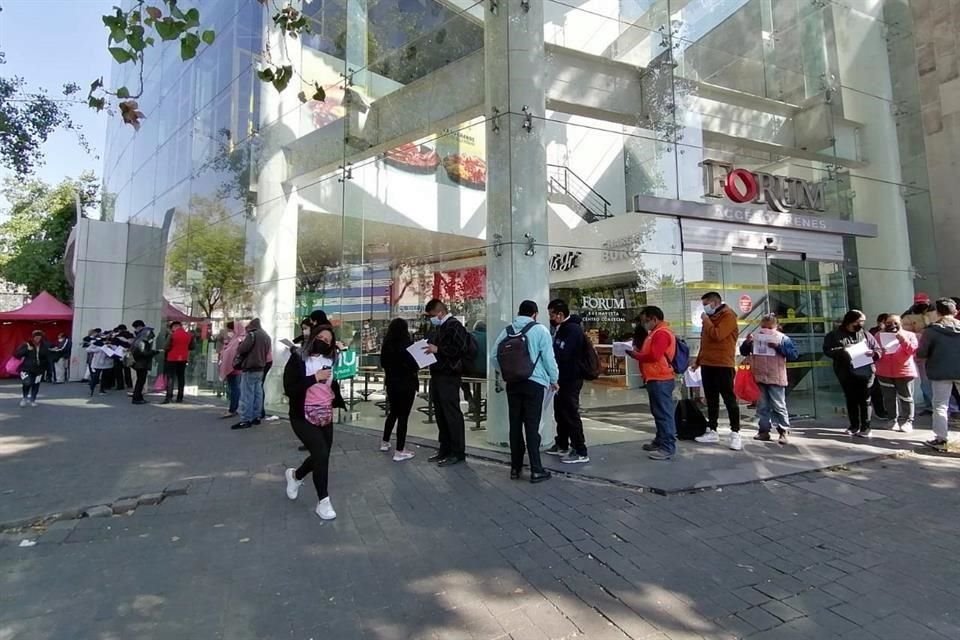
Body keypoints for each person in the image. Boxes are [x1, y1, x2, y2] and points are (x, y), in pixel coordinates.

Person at [283, 325, 346, 520]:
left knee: (322, 455)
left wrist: (335, 395)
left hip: (325, 415)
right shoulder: (298, 358)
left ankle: (295, 476)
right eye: (320, 337)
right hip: (302, 416)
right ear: (312, 337)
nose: (323, 342)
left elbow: (331, 384)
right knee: (320, 453)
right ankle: (323, 502)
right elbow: (290, 388)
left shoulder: (330, 360)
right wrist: (314, 378)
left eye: (327, 341)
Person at [493, 300, 559, 482]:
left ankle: (515, 468)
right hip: (534, 384)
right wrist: (554, 380)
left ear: (519, 313)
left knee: (515, 426)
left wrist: (507, 372)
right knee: (532, 426)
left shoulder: (507, 331)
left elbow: (494, 356)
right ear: (535, 314)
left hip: (513, 384)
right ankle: (536, 469)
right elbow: (549, 359)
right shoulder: (540, 330)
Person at [690, 292, 743, 451]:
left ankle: (735, 432)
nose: (704, 308)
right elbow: (704, 343)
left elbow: (717, 335)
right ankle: (712, 429)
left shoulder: (728, 316)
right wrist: (698, 361)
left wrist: (706, 321)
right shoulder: (709, 319)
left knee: (729, 399)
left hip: (723, 364)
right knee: (711, 399)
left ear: (714, 303)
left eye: (706, 304)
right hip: (708, 364)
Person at [626, 306, 679, 460]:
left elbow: (654, 356)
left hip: (660, 378)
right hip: (654, 377)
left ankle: (667, 447)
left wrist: (635, 355)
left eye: (645, 320)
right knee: (658, 412)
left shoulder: (661, 333)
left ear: (654, 319)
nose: (644, 324)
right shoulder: (655, 332)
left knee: (664, 413)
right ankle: (660, 440)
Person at [423, 298, 471, 466]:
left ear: (440, 312)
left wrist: (438, 349)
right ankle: (445, 448)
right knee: (441, 413)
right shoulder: (439, 328)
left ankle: (457, 451)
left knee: (451, 413)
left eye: (431, 315)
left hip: (449, 376)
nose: (430, 319)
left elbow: (461, 349)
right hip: (437, 374)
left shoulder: (454, 326)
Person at [740, 314, 798, 445]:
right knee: (762, 406)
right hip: (759, 376)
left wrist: (778, 347)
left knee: (779, 405)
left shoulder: (783, 339)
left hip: (776, 377)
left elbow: (793, 355)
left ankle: (783, 430)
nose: (766, 331)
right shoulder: (755, 338)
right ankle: (764, 431)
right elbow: (743, 351)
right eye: (764, 327)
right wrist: (747, 342)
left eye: (770, 328)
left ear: (776, 327)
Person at [823, 310, 881, 437]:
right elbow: (828, 350)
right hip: (845, 371)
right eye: (859, 321)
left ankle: (866, 427)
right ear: (850, 321)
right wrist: (843, 350)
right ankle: (854, 425)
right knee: (851, 398)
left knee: (865, 399)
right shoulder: (834, 335)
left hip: (865, 370)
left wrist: (874, 353)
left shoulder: (865, 334)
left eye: (863, 322)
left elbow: (877, 349)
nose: (862, 324)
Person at [546, 299, 590, 464]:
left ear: (560, 314)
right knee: (560, 412)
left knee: (570, 413)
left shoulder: (572, 329)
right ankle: (562, 443)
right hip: (561, 377)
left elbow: (564, 352)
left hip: (571, 377)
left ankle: (580, 449)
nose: (550, 318)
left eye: (552, 315)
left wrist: (551, 351)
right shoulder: (561, 328)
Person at [917, 297, 960, 448]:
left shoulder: (931, 331)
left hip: (940, 371)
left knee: (940, 405)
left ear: (937, 312)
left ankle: (941, 438)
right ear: (955, 311)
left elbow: (921, 353)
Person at [379, 318, 419, 461]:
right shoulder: (408, 345)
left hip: (391, 383)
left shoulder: (386, 345)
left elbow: (383, 363)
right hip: (406, 383)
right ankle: (400, 450)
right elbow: (414, 365)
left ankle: (385, 442)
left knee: (393, 413)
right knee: (403, 416)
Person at [875, 314, 917, 433]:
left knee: (906, 397)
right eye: (889, 323)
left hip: (904, 372)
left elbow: (913, 351)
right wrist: (878, 351)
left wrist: (903, 341)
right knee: (889, 398)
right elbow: (873, 350)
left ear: (900, 323)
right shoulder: (878, 336)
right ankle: (892, 420)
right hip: (884, 372)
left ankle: (908, 421)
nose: (892, 325)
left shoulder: (909, 335)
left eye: (895, 323)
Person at [232, 317, 272, 429]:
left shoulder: (252, 335)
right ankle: (256, 417)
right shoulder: (266, 336)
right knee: (258, 393)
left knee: (247, 394)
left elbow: (242, 349)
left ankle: (246, 419)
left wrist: (241, 344)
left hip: (250, 368)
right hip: (261, 368)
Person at [903, 294, 935, 413]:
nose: (922, 305)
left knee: (938, 381)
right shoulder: (908, 316)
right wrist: (921, 334)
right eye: (919, 303)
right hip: (921, 351)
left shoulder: (936, 313)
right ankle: (930, 405)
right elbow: (906, 333)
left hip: (936, 351)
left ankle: (937, 405)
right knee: (925, 380)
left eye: (924, 303)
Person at [14, 330, 50, 407]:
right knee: (27, 383)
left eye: (39, 337)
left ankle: (33, 400)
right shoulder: (27, 344)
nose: (38, 338)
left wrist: (47, 368)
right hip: (27, 368)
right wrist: (26, 350)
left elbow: (47, 357)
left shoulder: (44, 345)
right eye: (36, 337)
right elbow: (17, 354)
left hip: (39, 369)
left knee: (36, 384)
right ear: (33, 337)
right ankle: (24, 398)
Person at [162, 321, 192, 404]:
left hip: (172, 358)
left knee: (170, 377)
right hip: (183, 358)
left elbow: (166, 346)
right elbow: (192, 346)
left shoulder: (172, 335)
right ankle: (180, 397)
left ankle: (169, 397)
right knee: (181, 377)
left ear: (174, 327)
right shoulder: (189, 335)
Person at [219, 323, 243, 419]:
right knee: (233, 388)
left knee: (234, 388)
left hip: (234, 368)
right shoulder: (233, 340)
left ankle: (233, 409)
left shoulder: (238, 340)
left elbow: (232, 353)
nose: (229, 332)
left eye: (230, 330)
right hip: (232, 368)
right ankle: (233, 408)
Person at [869, 313, 890, 419]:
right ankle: (880, 411)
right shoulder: (872, 333)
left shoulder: (894, 332)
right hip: (877, 364)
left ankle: (890, 411)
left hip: (890, 365)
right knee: (877, 390)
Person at [130, 320, 157, 405]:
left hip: (138, 361)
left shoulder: (142, 334)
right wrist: (154, 352)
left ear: (139, 327)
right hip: (142, 361)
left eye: (135, 328)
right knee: (141, 380)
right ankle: (137, 398)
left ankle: (138, 397)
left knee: (140, 380)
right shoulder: (145, 334)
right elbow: (144, 351)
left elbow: (141, 348)